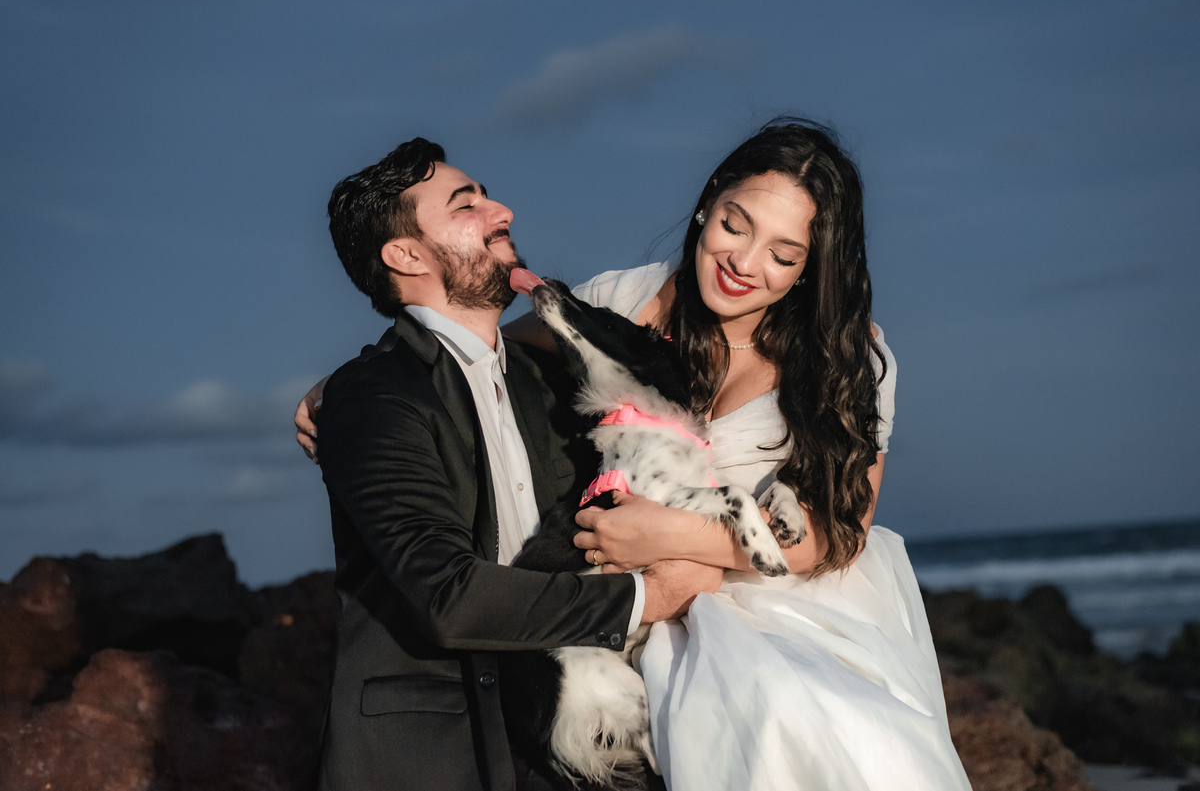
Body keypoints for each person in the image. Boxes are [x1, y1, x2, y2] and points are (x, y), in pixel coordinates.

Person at [299, 120, 970, 790]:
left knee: (823, 729)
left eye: (783, 254)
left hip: (781, 596)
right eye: (735, 225)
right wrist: (345, 385)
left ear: (810, 267)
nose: (744, 262)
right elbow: (472, 346)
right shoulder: (627, 301)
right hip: (648, 615)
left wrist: (671, 537)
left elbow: (838, 532)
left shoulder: (851, 357)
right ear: (709, 200)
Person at [310, 137, 721, 791]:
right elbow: (448, 596)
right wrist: (652, 596)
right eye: (465, 204)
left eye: (487, 195)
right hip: (435, 756)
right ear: (406, 255)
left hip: (576, 741)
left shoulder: (553, 384)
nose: (501, 210)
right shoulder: (372, 396)